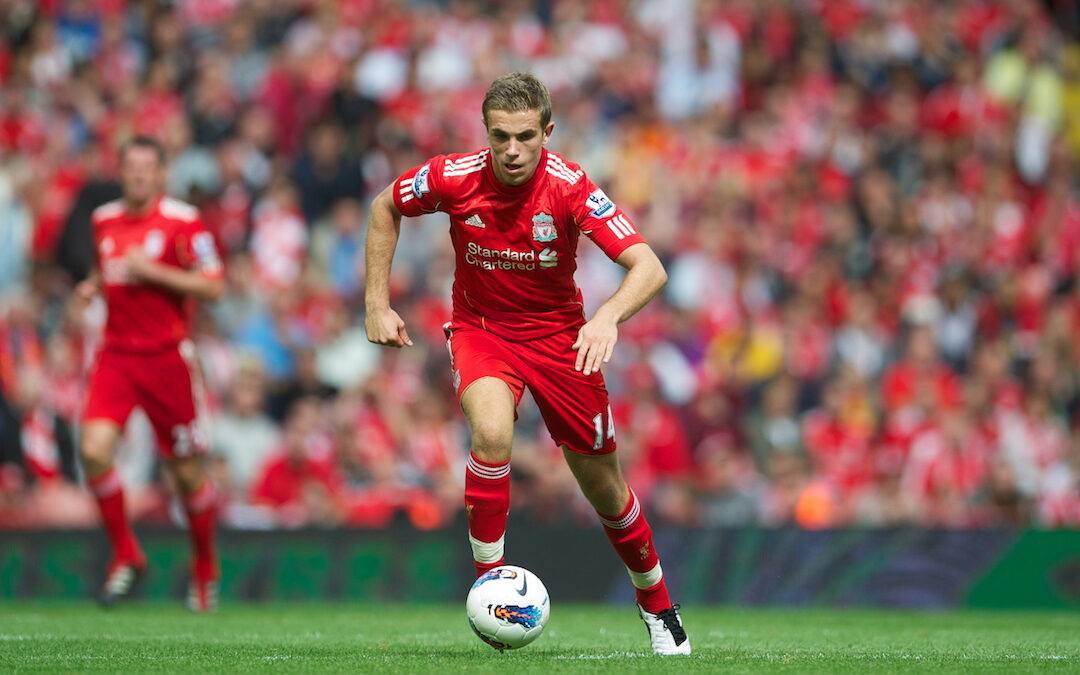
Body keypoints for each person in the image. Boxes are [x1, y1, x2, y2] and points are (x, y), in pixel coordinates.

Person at [365, 73, 690, 655]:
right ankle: (489, 587)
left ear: (547, 131)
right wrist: (376, 303)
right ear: (485, 133)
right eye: (499, 137)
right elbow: (384, 206)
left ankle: (658, 606)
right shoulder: (452, 177)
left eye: (524, 137)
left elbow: (649, 267)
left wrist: (607, 317)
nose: (512, 150)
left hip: (563, 339)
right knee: (491, 433)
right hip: (481, 331)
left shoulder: (570, 187)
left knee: (606, 491)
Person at [77, 137, 225, 611]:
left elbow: (214, 285)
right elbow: (111, 271)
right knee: (93, 451)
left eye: (147, 167)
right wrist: (91, 287)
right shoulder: (103, 219)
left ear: (161, 174)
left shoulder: (183, 220)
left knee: (185, 474)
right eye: (131, 166)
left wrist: (154, 273)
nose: (138, 175)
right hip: (116, 355)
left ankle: (204, 566)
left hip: (166, 358)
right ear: (121, 172)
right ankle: (126, 553)